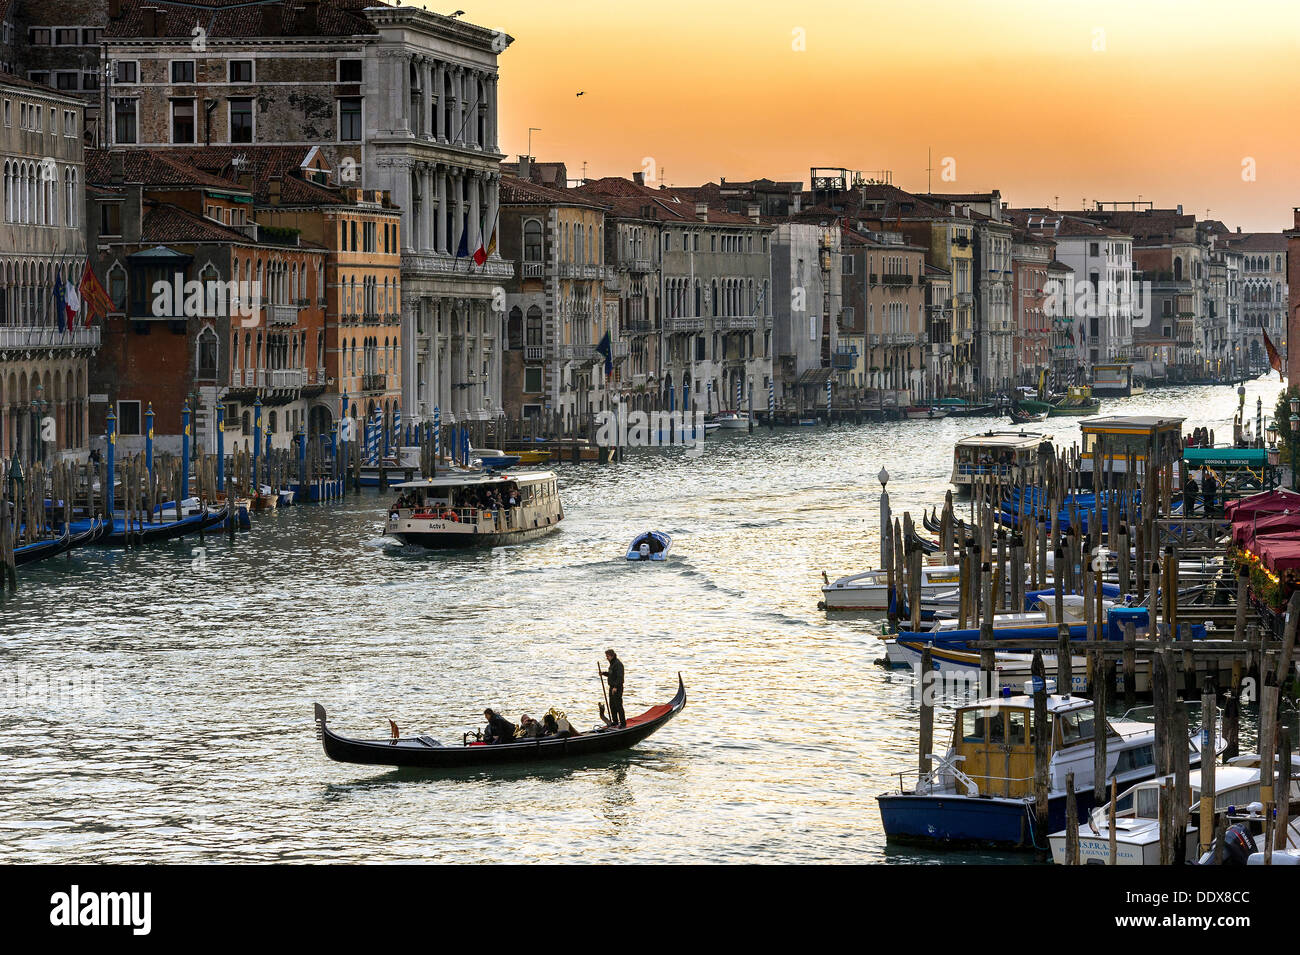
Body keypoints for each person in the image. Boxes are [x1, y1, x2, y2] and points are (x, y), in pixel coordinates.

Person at [600, 648, 626, 728]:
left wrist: (615, 687)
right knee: (612, 705)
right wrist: (604, 673)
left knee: (618, 705)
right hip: (612, 687)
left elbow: (619, 677)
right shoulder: (612, 664)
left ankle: (623, 723)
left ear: (611, 656)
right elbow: (612, 674)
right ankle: (615, 721)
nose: (606, 658)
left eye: (607, 656)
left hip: (617, 688)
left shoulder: (618, 664)